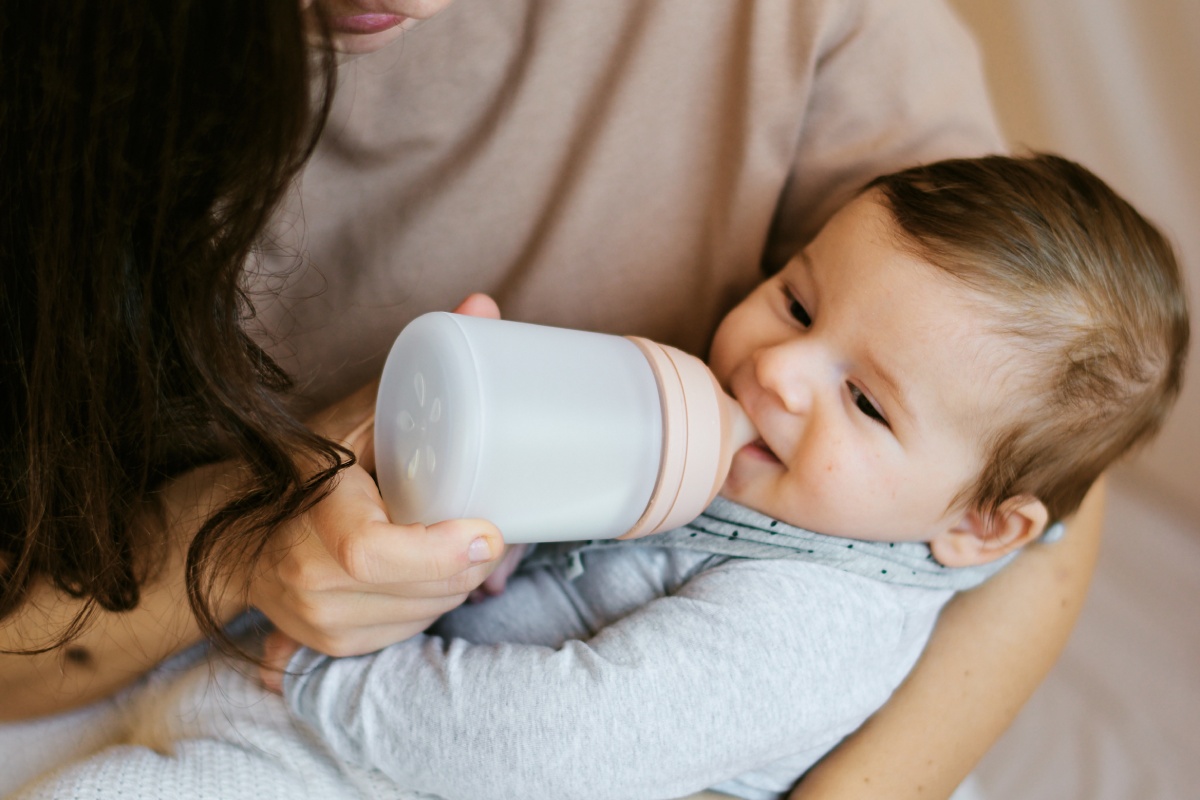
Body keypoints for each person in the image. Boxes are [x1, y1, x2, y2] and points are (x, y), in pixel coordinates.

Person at [0, 1, 1110, 798]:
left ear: (973, 524)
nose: (775, 370)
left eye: (864, 402)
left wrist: (328, 690)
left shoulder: (811, 619)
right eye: (794, 303)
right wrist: (452, 519)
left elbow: (557, 744)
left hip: (402, 726)